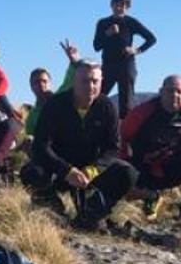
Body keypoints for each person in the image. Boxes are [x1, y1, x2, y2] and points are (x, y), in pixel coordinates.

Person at [20, 60, 135, 231]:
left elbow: (112, 149)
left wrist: (93, 169)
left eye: (95, 81)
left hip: (90, 173)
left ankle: (91, 212)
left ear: (101, 81)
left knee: (127, 173)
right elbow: (41, 146)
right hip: (59, 170)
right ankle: (53, 211)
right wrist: (66, 170)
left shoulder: (107, 107)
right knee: (31, 172)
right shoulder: (55, 105)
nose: (90, 86)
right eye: (84, 81)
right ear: (74, 81)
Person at [120, 75, 181, 221]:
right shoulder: (142, 112)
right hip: (143, 167)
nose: (174, 95)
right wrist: (124, 160)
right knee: (119, 184)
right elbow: (122, 135)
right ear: (161, 91)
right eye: (170, 90)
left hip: (173, 167)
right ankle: (151, 196)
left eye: (179, 91)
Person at [93, 0, 157, 118]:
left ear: (127, 7)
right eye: (117, 4)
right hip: (108, 65)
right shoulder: (103, 23)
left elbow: (151, 38)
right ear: (111, 5)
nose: (119, 8)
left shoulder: (131, 22)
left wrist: (136, 50)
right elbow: (96, 46)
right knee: (97, 99)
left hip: (126, 66)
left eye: (123, 5)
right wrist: (107, 33)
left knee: (126, 105)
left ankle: (124, 135)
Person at [24, 39, 81, 141]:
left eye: (44, 81)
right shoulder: (32, 117)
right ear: (31, 86)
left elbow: (71, 79)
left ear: (50, 83)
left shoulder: (61, 97)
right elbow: (32, 140)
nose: (41, 84)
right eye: (37, 82)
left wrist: (74, 61)